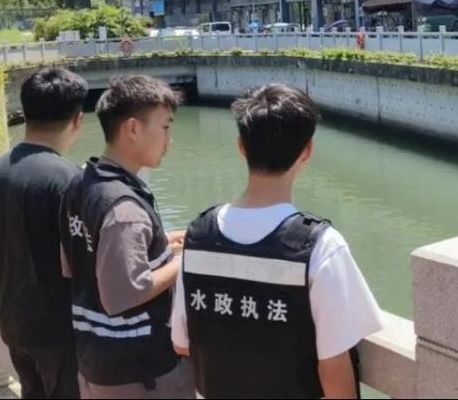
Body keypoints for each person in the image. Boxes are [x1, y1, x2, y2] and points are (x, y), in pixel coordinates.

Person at [171, 84, 385, 399]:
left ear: (241, 146)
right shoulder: (320, 246)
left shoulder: (199, 235)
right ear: (307, 150)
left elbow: (181, 343)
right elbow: (334, 367)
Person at [59, 75, 194, 399]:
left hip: (95, 359)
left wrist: (162, 241)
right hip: (140, 372)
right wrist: (184, 261)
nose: (169, 140)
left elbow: (74, 262)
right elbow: (125, 292)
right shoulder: (124, 209)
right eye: (165, 127)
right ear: (133, 129)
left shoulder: (81, 183)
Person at [0, 67, 89, 399]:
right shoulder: (68, 179)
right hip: (57, 329)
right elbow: (83, 258)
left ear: (25, 111)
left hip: (14, 318)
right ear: (77, 119)